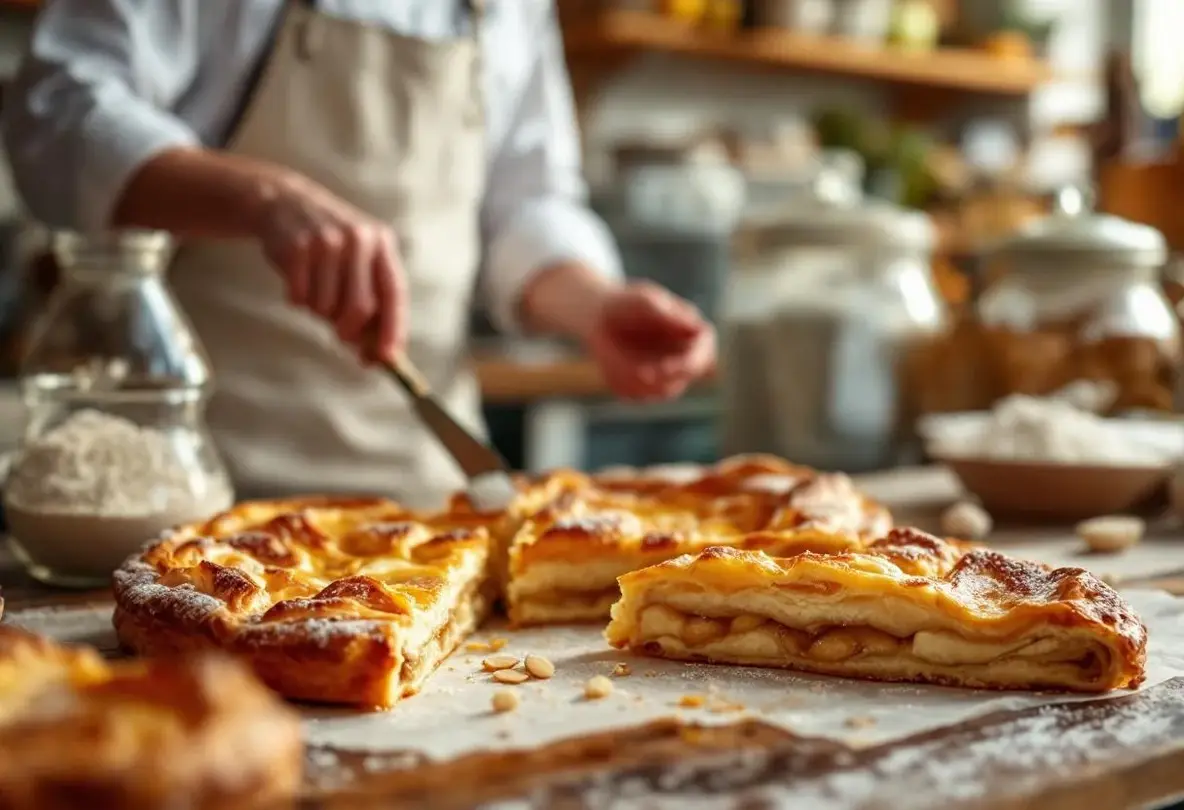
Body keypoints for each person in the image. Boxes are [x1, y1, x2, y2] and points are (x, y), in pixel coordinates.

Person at [2, 0, 716, 507]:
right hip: (197, 488)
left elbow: (526, 204)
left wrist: (598, 307)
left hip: (424, 497)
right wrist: (264, 199)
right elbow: (57, 110)